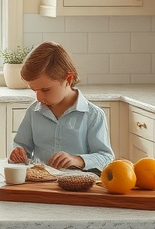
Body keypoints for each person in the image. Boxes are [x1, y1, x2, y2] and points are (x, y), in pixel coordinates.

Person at [8, 41, 114, 172]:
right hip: (41, 181)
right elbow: (20, 145)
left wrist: (77, 160)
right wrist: (17, 151)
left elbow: (105, 158)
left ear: (68, 79)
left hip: (78, 183)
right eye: (34, 90)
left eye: (45, 89)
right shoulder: (33, 112)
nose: (38, 97)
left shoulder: (93, 115)